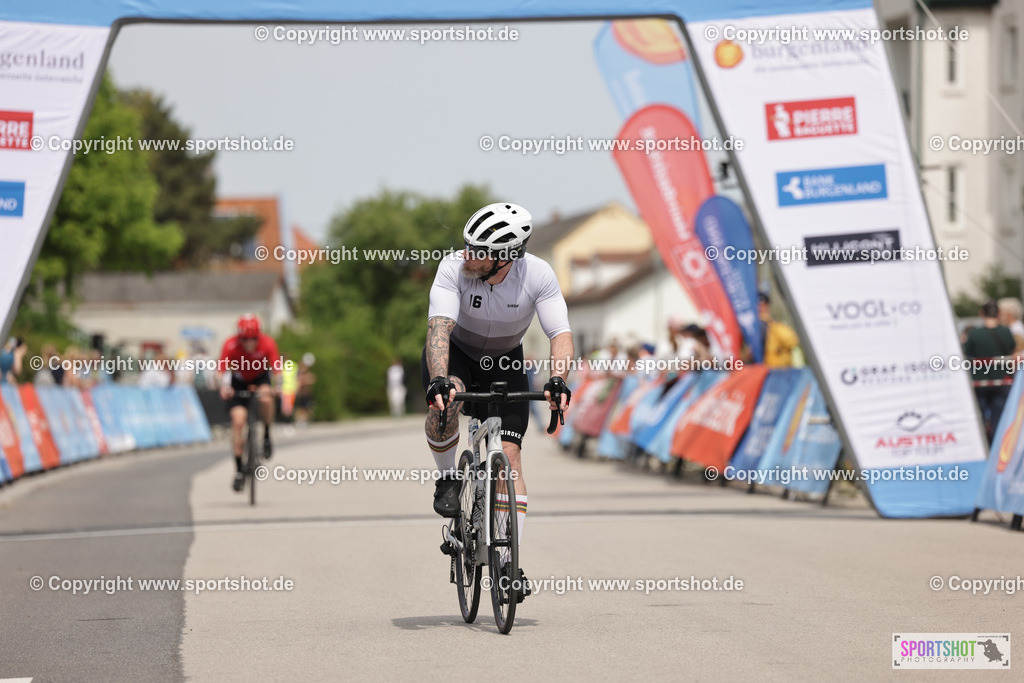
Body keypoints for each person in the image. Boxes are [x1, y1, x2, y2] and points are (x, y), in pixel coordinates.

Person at [423, 202, 573, 602]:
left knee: (512, 454)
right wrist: (439, 379)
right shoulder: (453, 268)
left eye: (479, 250)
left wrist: (558, 379)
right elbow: (439, 327)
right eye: (468, 245)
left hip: (505, 359)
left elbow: (560, 333)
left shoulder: (538, 274)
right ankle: (449, 477)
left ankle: (509, 564)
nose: (467, 254)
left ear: (506, 256)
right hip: (458, 354)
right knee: (446, 403)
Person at [219, 314, 280, 492]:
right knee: (238, 421)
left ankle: (267, 434)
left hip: (260, 377)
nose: (249, 343)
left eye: (253, 339)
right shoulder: (230, 345)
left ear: (258, 336)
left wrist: (278, 385)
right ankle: (239, 469)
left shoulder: (268, 343)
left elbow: (276, 368)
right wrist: (224, 387)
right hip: (239, 380)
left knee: (266, 398)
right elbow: (221, 370)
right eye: (245, 339)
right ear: (240, 337)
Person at [964, 300, 1016, 443]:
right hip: (1002, 381)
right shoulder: (1006, 332)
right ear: (998, 313)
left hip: (979, 381)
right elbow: (1011, 348)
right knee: (999, 418)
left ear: (982, 313)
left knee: (979, 418)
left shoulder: (974, 334)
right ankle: (997, 446)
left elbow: (967, 352)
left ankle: (982, 445)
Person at [759, 292, 800, 368]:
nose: (761, 307)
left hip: (771, 370)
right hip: (782, 370)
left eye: (762, 305)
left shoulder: (769, 325)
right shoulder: (776, 325)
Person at [295, 353, 317, 428]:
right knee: (301, 408)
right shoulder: (300, 370)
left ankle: (303, 421)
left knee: (305, 408)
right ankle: (300, 422)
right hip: (302, 393)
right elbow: (300, 380)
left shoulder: (305, 371)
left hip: (306, 393)